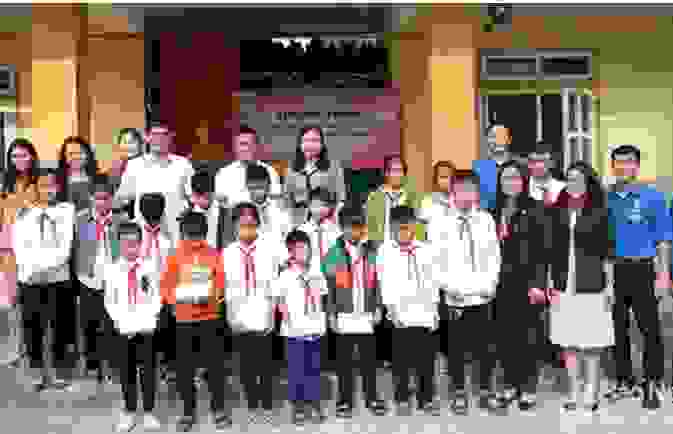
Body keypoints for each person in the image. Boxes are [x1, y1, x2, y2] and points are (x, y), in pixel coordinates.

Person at [605, 144, 671, 409]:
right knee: (617, 328)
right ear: (612, 166)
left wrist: (663, 275)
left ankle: (652, 381)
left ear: (637, 165)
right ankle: (624, 381)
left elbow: (663, 239)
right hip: (615, 269)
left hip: (644, 268)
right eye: (618, 162)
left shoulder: (653, 197)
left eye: (629, 162)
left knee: (650, 329)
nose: (623, 167)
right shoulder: (606, 198)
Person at [547, 162, 614, 414]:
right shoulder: (557, 209)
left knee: (592, 341)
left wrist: (610, 286)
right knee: (568, 341)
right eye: (569, 179)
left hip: (592, 282)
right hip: (563, 282)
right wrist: (549, 281)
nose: (572, 183)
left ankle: (591, 391)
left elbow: (608, 251)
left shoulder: (601, 210)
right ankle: (573, 391)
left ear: (588, 182)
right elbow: (550, 248)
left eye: (578, 179)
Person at [160, 211, 230, 432]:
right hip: (184, 321)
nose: (194, 241)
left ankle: (218, 409)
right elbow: (166, 287)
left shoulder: (213, 255)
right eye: (191, 236)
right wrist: (178, 300)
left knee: (215, 367)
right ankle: (188, 412)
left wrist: (208, 296)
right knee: (184, 369)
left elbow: (220, 283)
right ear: (183, 234)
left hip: (209, 319)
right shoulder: (175, 256)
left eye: (197, 236)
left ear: (204, 234)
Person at [438, 171, 501, 415]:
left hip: (483, 295)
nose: (465, 195)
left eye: (470, 190)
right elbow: (436, 260)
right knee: (456, 349)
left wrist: (491, 284)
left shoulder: (486, 220)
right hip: (455, 297)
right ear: (452, 192)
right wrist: (449, 287)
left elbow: (494, 255)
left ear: (477, 193)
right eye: (460, 190)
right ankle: (458, 392)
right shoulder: (442, 222)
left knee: (485, 348)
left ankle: (484, 390)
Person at [493, 160, 550, 412]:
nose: (511, 182)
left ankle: (527, 388)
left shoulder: (536, 208)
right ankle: (509, 385)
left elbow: (543, 250)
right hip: (499, 282)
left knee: (528, 337)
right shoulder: (493, 210)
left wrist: (538, 284)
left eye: (515, 177)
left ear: (524, 180)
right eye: (506, 178)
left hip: (527, 281)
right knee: (505, 336)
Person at [13, 167, 76, 391]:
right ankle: (36, 371)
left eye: (53, 185)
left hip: (58, 278)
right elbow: (19, 245)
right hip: (29, 278)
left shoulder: (67, 210)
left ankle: (59, 370)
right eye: (43, 185)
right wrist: (32, 269)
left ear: (59, 187)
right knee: (32, 327)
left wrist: (44, 267)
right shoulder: (23, 212)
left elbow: (65, 247)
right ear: (36, 188)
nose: (49, 189)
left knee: (60, 326)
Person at [321, 204, 387, 418]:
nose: (355, 231)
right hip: (344, 316)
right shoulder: (333, 254)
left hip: (366, 315)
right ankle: (344, 400)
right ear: (342, 228)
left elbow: (377, 283)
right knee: (344, 363)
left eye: (359, 226)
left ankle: (372, 397)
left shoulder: (372, 252)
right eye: (350, 227)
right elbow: (329, 289)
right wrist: (331, 314)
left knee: (369, 361)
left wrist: (378, 307)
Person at [223, 202, 284, 425]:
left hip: (263, 312)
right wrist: (230, 316)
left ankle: (266, 402)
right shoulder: (228, 253)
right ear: (234, 226)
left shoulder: (268, 250)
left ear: (258, 225)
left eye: (251, 224)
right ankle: (251, 401)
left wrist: (272, 313)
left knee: (266, 363)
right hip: (239, 315)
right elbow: (227, 288)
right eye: (242, 224)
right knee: (245, 363)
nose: (246, 228)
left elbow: (274, 284)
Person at [379, 205, 441, 416]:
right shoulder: (386, 250)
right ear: (392, 228)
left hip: (424, 312)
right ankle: (402, 397)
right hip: (400, 314)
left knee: (426, 359)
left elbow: (432, 281)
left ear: (414, 226)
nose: (404, 232)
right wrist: (391, 310)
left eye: (408, 227)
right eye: (399, 228)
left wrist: (434, 310)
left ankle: (426, 397)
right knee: (401, 360)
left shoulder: (425, 249)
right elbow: (385, 281)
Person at [104, 221, 162, 432]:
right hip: (124, 328)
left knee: (148, 370)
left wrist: (150, 318)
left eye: (134, 243)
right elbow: (110, 301)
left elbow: (156, 296)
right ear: (119, 244)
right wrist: (120, 321)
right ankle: (128, 411)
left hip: (146, 327)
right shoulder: (112, 270)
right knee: (126, 371)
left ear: (140, 244)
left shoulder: (149, 266)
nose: (130, 248)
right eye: (126, 244)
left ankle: (148, 412)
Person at [274, 229, 328, 425]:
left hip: (314, 330)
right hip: (294, 332)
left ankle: (314, 402)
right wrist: (286, 316)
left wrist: (322, 320)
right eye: (299, 249)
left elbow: (322, 296)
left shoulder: (317, 272)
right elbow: (279, 299)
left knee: (314, 369)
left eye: (307, 248)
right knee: (296, 371)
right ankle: (298, 405)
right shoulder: (285, 275)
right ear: (290, 252)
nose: (305, 252)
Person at [115, 122, 194, 241]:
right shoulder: (134, 165)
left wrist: (186, 210)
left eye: (163, 135)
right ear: (147, 137)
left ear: (170, 137)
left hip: (175, 234)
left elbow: (194, 198)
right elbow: (121, 199)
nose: (159, 139)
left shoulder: (183, 165)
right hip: (143, 236)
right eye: (155, 135)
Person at [74, 173, 118, 385]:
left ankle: (111, 366)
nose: (101, 202)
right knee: (89, 324)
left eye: (105, 198)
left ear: (112, 198)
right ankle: (92, 365)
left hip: (112, 280)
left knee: (111, 324)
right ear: (90, 197)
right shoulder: (81, 219)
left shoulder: (120, 220)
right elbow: (74, 248)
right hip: (88, 279)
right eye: (97, 198)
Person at [0, 138, 40, 367]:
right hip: (8, 247)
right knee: (13, 300)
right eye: (14, 156)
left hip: (33, 248)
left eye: (23, 155)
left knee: (32, 299)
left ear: (32, 156)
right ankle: (16, 349)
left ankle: (33, 349)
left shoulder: (40, 182)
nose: (19, 160)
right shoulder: (5, 183)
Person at [214, 125, 281, 207]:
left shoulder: (270, 172)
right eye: (241, 144)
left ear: (256, 146)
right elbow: (218, 204)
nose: (245, 149)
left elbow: (276, 201)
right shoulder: (224, 174)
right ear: (234, 147)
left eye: (249, 144)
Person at [366, 154, 424, 243]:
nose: (397, 174)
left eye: (400, 170)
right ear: (386, 173)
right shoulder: (374, 197)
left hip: (408, 246)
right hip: (382, 245)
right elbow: (370, 227)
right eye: (394, 170)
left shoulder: (414, 196)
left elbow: (420, 224)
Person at [285, 126, 346, 210]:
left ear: (322, 144)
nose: (310, 145)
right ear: (300, 144)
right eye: (306, 140)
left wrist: (333, 213)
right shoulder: (291, 168)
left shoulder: (334, 167)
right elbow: (287, 198)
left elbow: (341, 198)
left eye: (315, 140)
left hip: (326, 214)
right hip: (298, 215)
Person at [244, 163, 292, 245]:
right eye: (253, 188)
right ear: (247, 186)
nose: (258, 192)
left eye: (261, 187)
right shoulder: (242, 210)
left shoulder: (280, 206)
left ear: (269, 186)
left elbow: (288, 233)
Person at [181, 170, 228, 250]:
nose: (203, 199)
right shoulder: (185, 215)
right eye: (198, 195)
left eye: (206, 196)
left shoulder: (224, 213)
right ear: (192, 193)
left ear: (213, 192)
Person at [473, 124, 513, 211]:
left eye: (501, 136)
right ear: (487, 140)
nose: (497, 141)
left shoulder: (522, 168)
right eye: (493, 136)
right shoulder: (477, 169)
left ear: (509, 140)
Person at [57, 135, 99, 212]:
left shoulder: (99, 178)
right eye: (71, 153)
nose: (76, 157)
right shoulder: (57, 180)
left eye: (80, 153)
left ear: (88, 154)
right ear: (65, 156)